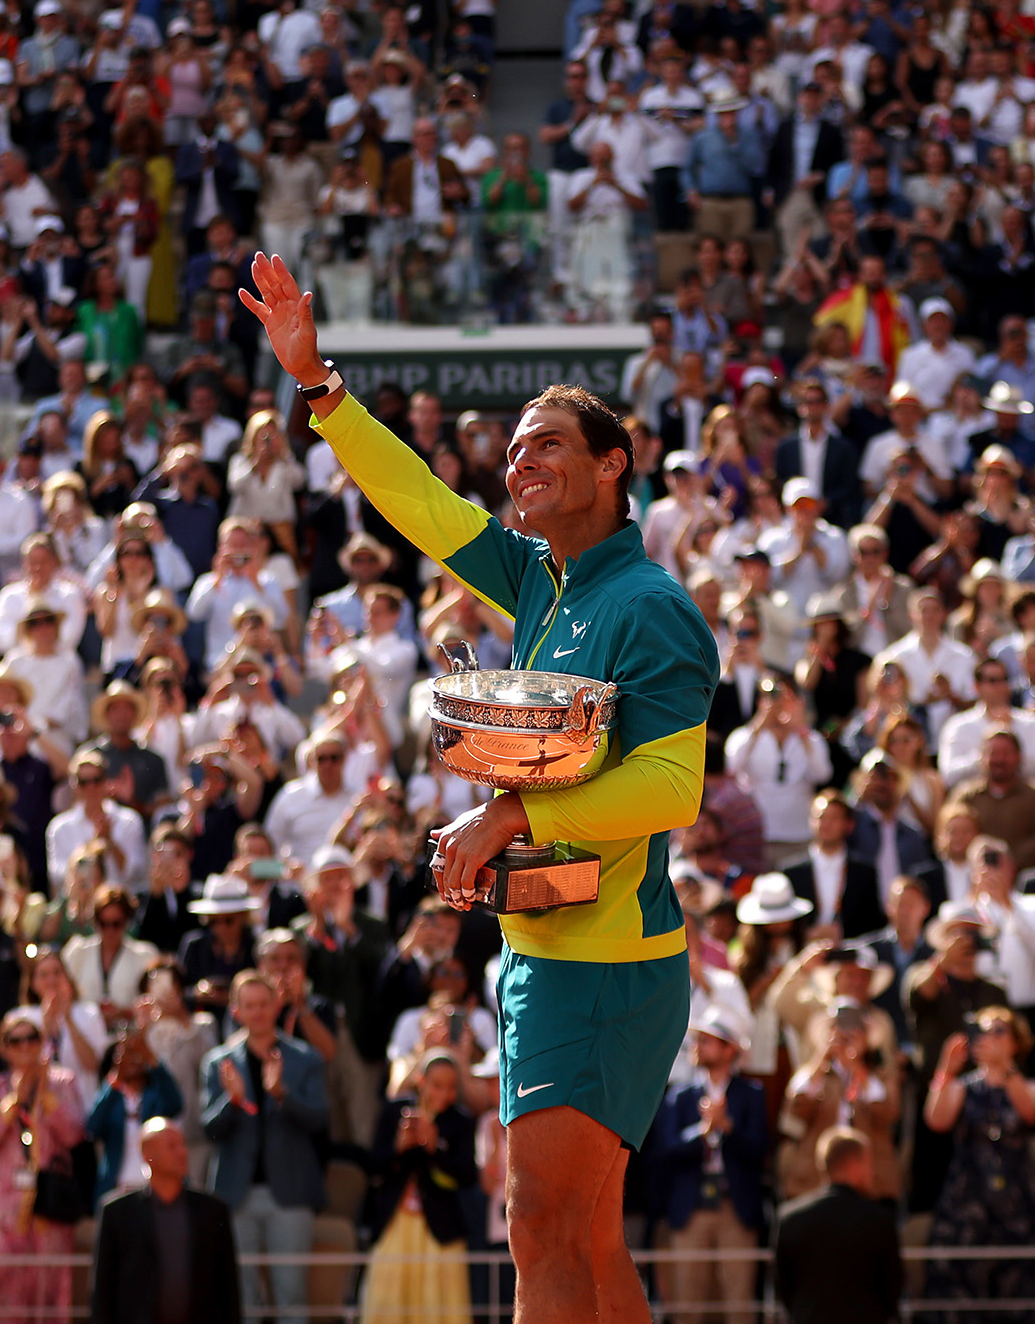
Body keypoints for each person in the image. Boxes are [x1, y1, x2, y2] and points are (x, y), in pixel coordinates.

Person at [246, 252, 718, 1324]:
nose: (520, 463)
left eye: (548, 442)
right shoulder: (542, 582)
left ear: (614, 464)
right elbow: (423, 502)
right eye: (512, 450)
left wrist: (508, 811)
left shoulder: (649, 602)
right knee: (584, 1241)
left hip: (600, 962)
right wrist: (321, 389)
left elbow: (669, 784)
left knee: (539, 1230)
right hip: (553, 951)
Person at [202, 969, 329, 1324]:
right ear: (236, 1011)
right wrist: (233, 1100)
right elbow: (209, 1129)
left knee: (291, 1297)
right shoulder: (218, 1062)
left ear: (276, 1005)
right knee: (241, 1300)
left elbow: (319, 1119)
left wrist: (280, 1094)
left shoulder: (305, 1058)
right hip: (235, 1193)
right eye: (249, 1006)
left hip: (289, 1194)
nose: (257, 1012)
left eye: (263, 1004)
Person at [920, 1006, 1035, 1318]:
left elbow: (1030, 1113)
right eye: (983, 1031)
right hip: (968, 1199)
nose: (990, 1038)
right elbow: (936, 1121)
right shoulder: (960, 1087)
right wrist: (946, 1069)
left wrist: (1005, 1069)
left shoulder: (1029, 1085)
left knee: (1022, 1283)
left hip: (1016, 1200)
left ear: (1016, 1042)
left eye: (999, 1031)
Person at [648, 1014, 769, 1324]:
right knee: (688, 1305)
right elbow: (665, 1150)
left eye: (707, 1040)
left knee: (739, 1305)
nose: (697, 1046)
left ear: (730, 1050)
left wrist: (727, 1127)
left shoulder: (751, 1094)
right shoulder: (679, 1096)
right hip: (691, 1210)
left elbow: (760, 1150)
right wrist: (703, 1131)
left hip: (735, 1208)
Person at [0, 1005, 83, 1324]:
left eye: (31, 1039)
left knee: (53, 1295)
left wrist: (46, 1097)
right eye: (14, 1040)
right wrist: (12, 1105)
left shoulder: (63, 1082)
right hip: (5, 1207)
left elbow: (75, 1134)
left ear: (42, 1042)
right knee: (8, 1296)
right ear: (3, 1047)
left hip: (51, 1203)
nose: (24, 1047)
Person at [90, 1117, 242, 1324]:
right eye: (171, 1146)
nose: (182, 1152)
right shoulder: (117, 1213)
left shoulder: (213, 1211)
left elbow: (229, 1288)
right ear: (147, 1155)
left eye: (182, 1144)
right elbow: (103, 1289)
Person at [361, 1051, 475, 1324]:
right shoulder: (393, 1112)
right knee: (386, 1307)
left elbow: (467, 1176)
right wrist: (398, 1147)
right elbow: (372, 1166)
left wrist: (436, 1149)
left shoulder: (460, 1121)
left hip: (442, 1231)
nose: (444, 1094)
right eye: (437, 1085)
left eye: (451, 1087)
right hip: (394, 1225)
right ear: (420, 1080)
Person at [773, 1128, 903, 1324]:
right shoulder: (878, 1220)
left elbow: (783, 1288)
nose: (872, 1172)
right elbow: (892, 1289)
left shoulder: (791, 1219)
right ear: (854, 1166)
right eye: (868, 1164)